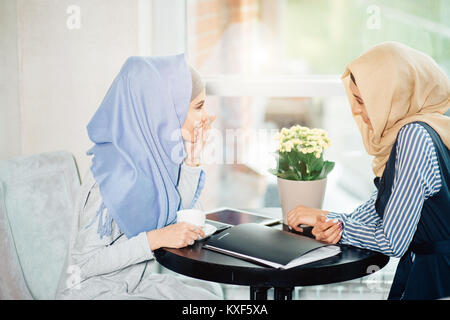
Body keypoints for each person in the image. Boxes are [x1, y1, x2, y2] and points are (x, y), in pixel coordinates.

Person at [287, 42, 449, 300]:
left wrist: (337, 225)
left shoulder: (413, 137)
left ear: (393, 97)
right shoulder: (429, 127)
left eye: (364, 101)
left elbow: (392, 241)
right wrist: (329, 219)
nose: (358, 111)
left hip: (436, 279)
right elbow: (383, 207)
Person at [56, 54, 222, 299]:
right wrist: (154, 239)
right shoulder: (111, 177)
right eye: (198, 106)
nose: (207, 116)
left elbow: (180, 212)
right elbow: (85, 263)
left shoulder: (153, 159)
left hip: (131, 285)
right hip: (90, 292)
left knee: (208, 295)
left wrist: (191, 159)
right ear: (166, 112)